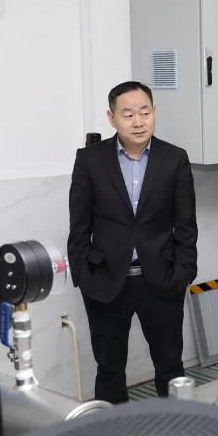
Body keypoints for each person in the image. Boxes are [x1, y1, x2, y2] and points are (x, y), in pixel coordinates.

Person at [67, 81, 197, 404]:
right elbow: (79, 227)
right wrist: (85, 277)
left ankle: (176, 429)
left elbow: (186, 226)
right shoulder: (90, 160)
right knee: (109, 368)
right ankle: (115, 431)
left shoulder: (175, 159)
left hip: (162, 281)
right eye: (128, 115)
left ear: (154, 113)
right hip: (106, 282)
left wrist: (182, 273)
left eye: (145, 112)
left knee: (170, 365)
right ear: (112, 118)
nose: (138, 122)